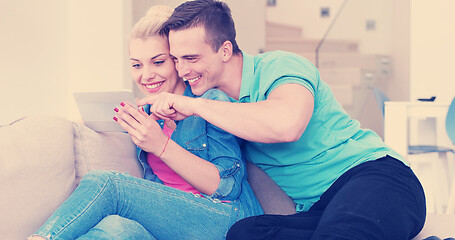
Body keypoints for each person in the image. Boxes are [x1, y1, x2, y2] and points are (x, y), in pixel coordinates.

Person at [137, 0, 427, 239]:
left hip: (377, 178)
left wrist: (194, 105)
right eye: (176, 59)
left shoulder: (279, 66)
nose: (182, 69)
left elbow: (287, 124)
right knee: (245, 233)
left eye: (191, 58)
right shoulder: (218, 103)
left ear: (225, 50)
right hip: (323, 208)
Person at [28, 5, 262, 240]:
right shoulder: (146, 113)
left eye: (158, 62)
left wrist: (161, 145)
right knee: (116, 229)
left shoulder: (211, 102)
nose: (146, 75)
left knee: (109, 184)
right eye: (136, 65)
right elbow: (86, 122)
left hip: (224, 220)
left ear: (176, 62)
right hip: (170, 225)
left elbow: (228, 187)